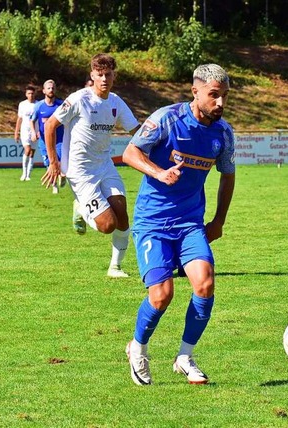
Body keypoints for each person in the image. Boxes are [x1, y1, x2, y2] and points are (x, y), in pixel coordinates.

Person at [121, 63, 235, 386]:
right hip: (153, 222)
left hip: (189, 224)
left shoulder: (223, 133)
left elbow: (228, 175)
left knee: (205, 283)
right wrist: (159, 173)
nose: (220, 103)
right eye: (214, 95)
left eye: (225, 96)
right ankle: (138, 348)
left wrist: (219, 221)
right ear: (195, 91)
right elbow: (130, 153)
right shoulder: (166, 119)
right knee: (161, 295)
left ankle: (185, 357)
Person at [41, 53, 140, 277]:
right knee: (108, 225)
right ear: (92, 75)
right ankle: (80, 208)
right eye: (100, 75)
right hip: (81, 171)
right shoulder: (78, 99)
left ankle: (115, 267)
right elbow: (50, 126)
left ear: (114, 76)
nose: (104, 79)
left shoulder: (116, 102)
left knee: (122, 213)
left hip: (104, 165)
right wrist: (54, 163)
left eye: (108, 74)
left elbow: (137, 131)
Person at [30, 80, 64, 194]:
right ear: (44, 91)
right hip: (44, 141)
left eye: (53, 88)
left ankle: (62, 174)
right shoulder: (39, 106)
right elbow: (32, 120)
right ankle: (54, 184)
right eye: (49, 88)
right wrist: (33, 132)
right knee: (49, 163)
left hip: (59, 140)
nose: (51, 90)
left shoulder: (61, 105)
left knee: (59, 160)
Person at [14, 85, 37, 181]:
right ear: (26, 94)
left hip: (35, 131)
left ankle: (28, 174)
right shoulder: (22, 104)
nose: (31, 95)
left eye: (32, 93)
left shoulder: (38, 104)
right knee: (27, 150)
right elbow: (19, 119)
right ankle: (23, 173)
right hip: (25, 130)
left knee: (32, 152)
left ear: (34, 94)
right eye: (29, 93)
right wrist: (16, 132)